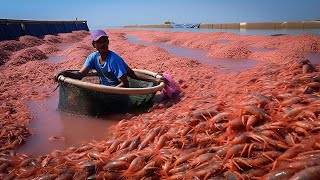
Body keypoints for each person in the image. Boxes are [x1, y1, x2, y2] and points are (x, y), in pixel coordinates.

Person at [55, 29, 166, 87]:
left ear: (108, 42)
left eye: (105, 41)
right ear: (94, 45)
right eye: (99, 42)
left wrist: (154, 80)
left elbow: (125, 84)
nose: (103, 44)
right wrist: (64, 73)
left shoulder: (114, 60)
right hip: (104, 91)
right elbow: (80, 75)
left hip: (117, 94)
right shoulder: (92, 57)